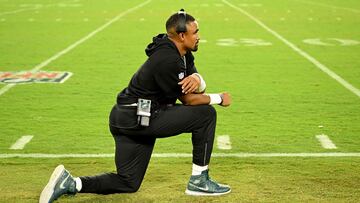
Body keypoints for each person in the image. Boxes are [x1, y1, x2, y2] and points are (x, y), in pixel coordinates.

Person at [39, 9, 231, 203]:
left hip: (127, 116)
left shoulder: (181, 52)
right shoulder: (167, 59)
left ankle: (71, 183)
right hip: (139, 116)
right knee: (206, 114)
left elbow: (193, 81)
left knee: (128, 182)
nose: (199, 36)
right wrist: (219, 98)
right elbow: (189, 100)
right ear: (182, 36)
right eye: (196, 32)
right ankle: (199, 180)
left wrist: (198, 78)